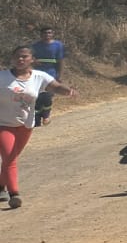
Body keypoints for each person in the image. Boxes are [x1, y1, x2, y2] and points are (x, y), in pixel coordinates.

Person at [2, 45, 76, 209]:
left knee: (10, 159)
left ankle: (1, 186)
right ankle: (14, 194)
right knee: (10, 158)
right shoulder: (2, 77)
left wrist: (68, 91)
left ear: (32, 60)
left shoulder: (39, 77)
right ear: (12, 59)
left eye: (24, 56)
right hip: (3, 124)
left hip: (26, 125)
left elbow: (55, 86)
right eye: (17, 57)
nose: (20, 59)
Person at [28, 26, 64, 127]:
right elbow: (30, 58)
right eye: (45, 33)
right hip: (37, 74)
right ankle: (37, 119)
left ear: (52, 34)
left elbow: (60, 61)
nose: (47, 35)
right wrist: (34, 61)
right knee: (38, 97)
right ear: (41, 35)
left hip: (51, 73)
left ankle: (46, 116)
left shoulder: (58, 45)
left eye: (49, 33)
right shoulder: (35, 45)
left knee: (48, 96)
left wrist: (59, 75)